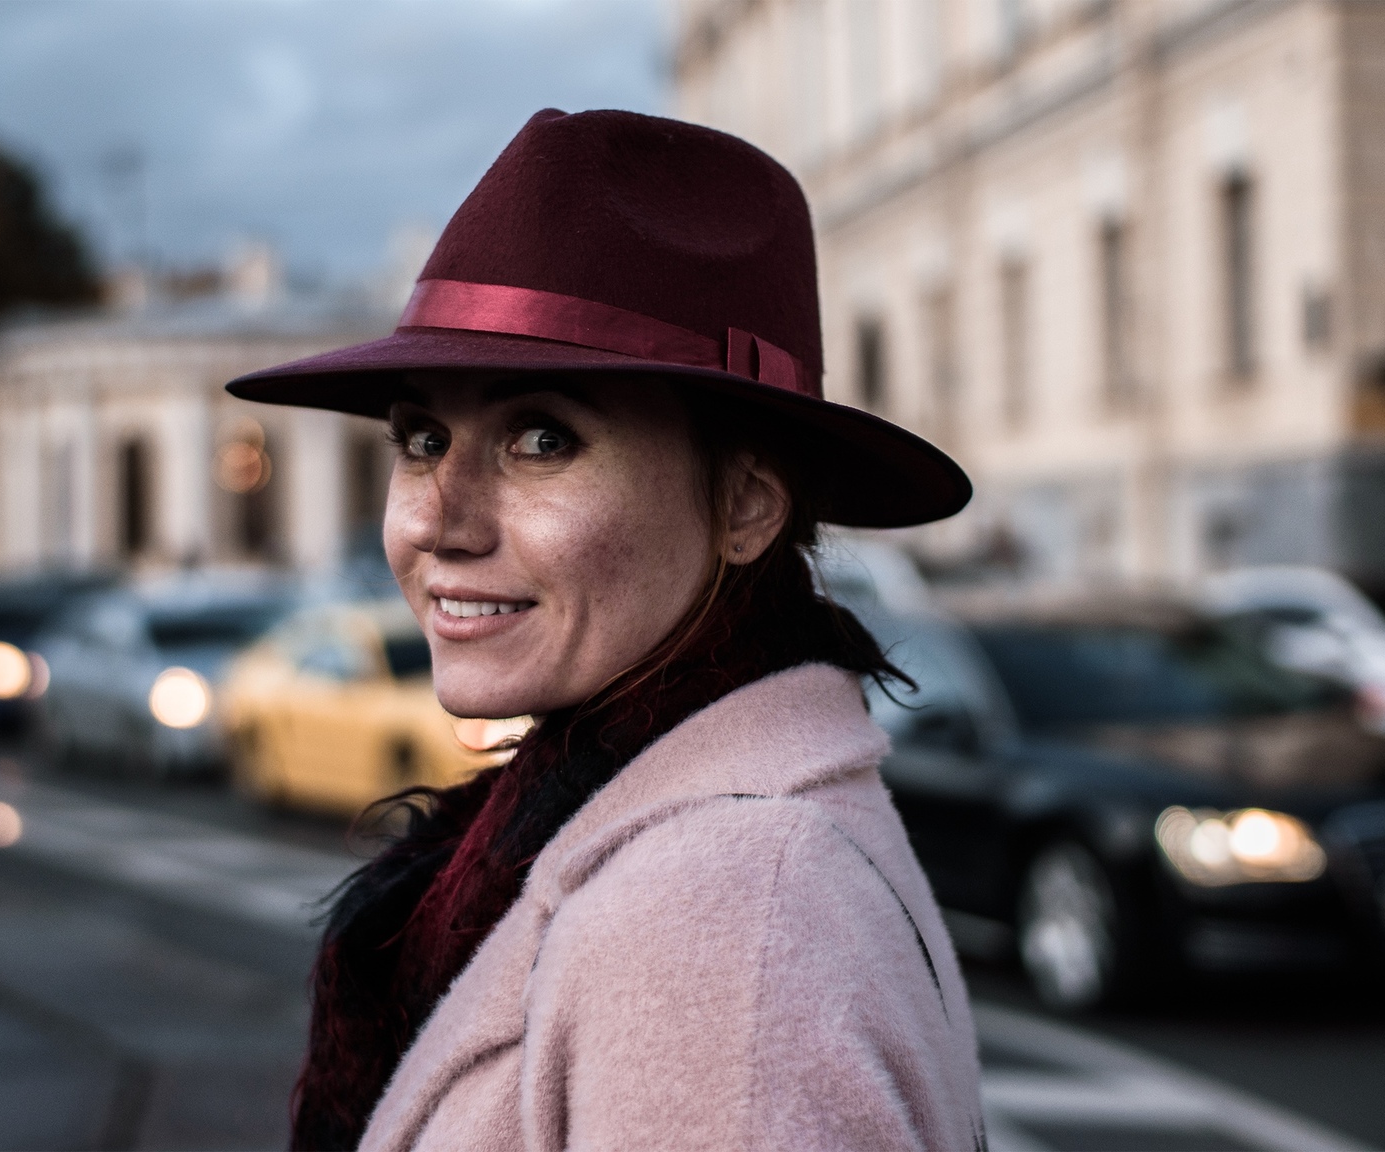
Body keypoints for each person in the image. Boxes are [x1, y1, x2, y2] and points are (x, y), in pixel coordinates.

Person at [227, 108, 986, 1152]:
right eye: (423, 437)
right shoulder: (684, 830)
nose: (437, 520)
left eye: (542, 438)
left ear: (744, 509)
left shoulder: (716, 921)